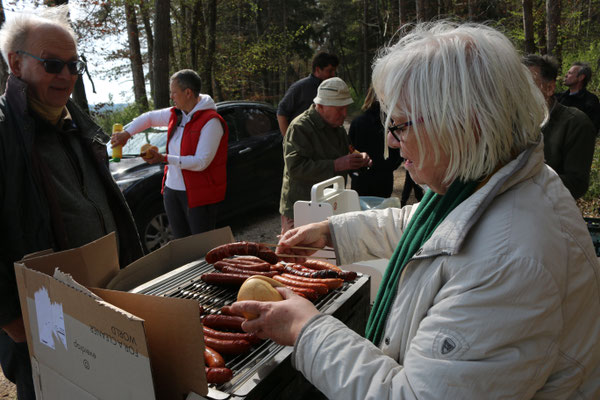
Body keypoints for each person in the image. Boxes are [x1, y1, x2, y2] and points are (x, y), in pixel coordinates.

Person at [232, 22, 600, 399]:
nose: (391, 139)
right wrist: (333, 231)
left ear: (465, 124)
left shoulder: (507, 262)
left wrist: (305, 330)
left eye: (402, 124)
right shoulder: (491, 180)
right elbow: (433, 229)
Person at [0, 6, 143, 399]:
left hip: (106, 308)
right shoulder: (3, 132)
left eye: (73, 64)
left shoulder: (78, 127)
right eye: (52, 64)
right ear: (16, 63)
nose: (66, 75)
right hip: (42, 324)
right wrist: (14, 321)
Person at [111, 69, 229, 239]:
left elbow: (202, 161)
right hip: (172, 191)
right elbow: (149, 118)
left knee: (201, 248)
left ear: (188, 93)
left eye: (174, 92)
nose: (172, 97)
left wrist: (164, 158)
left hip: (198, 195)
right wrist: (126, 134)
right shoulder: (176, 114)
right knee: (182, 246)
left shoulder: (211, 121)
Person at [279, 77, 371, 234]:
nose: (344, 114)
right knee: (298, 254)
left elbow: (348, 154)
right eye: (339, 109)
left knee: (326, 255)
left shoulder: (338, 129)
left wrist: (360, 161)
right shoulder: (300, 128)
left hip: (330, 203)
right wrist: (336, 165)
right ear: (320, 106)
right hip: (302, 207)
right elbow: (296, 169)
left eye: (346, 108)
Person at [523, 54, 596, 199]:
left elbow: (577, 184)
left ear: (549, 88)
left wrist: (524, 179)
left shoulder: (576, 124)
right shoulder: (510, 122)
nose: (518, 92)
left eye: (527, 85)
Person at [348, 86, 402, 198]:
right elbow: (398, 151)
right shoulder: (391, 124)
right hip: (384, 179)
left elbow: (350, 150)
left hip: (361, 179)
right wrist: (388, 168)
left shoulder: (357, 122)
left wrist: (354, 172)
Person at [277, 52, 339, 136]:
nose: (333, 75)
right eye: (330, 71)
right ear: (317, 70)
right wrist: (287, 140)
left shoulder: (332, 88)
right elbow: (281, 112)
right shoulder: (300, 87)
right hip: (301, 142)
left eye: (334, 71)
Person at [557, 61, 600, 133]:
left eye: (570, 73)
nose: (566, 75)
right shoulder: (558, 97)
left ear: (581, 77)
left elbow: (592, 129)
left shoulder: (591, 100)